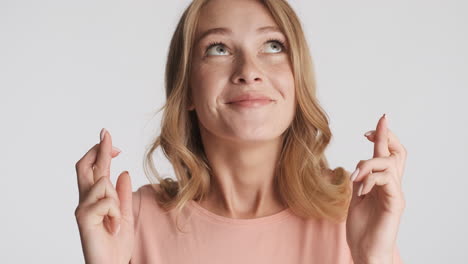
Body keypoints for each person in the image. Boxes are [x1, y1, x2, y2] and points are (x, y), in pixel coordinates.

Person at [74, 0, 407, 263]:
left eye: (273, 46)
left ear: (297, 79)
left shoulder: (353, 214)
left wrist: (373, 258)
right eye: (219, 48)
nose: (249, 71)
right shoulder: (131, 220)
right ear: (187, 87)